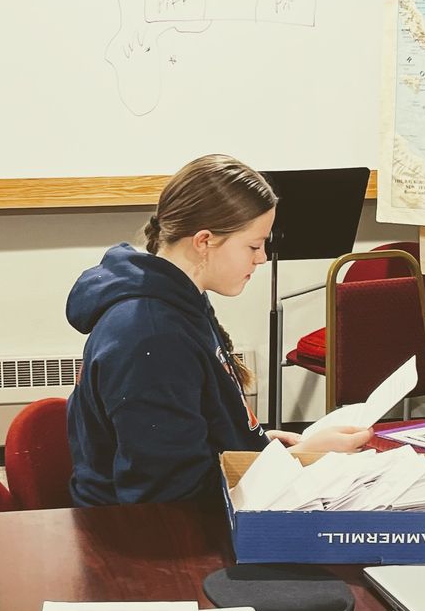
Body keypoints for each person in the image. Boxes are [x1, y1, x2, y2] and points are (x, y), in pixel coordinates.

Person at [66, 154, 371, 506]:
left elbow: (188, 431)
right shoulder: (150, 337)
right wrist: (294, 461)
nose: (262, 258)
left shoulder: (179, 298)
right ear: (204, 241)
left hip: (180, 519)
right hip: (145, 538)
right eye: (255, 246)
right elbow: (171, 496)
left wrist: (251, 443)